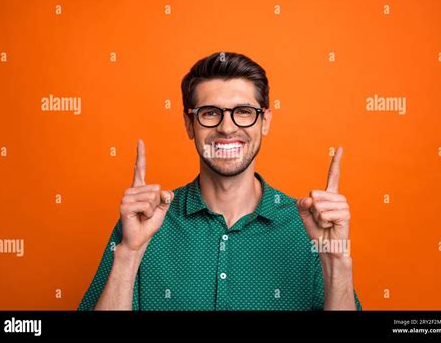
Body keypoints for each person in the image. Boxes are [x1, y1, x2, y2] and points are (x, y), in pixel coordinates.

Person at [78, 52, 362, 311]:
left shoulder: (310, 229)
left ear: (265, 122)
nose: (227, 128)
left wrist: (336, 261)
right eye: (210, 113)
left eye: (244, 112)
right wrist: (129, 254)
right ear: (189, 124)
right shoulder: (145, 222)